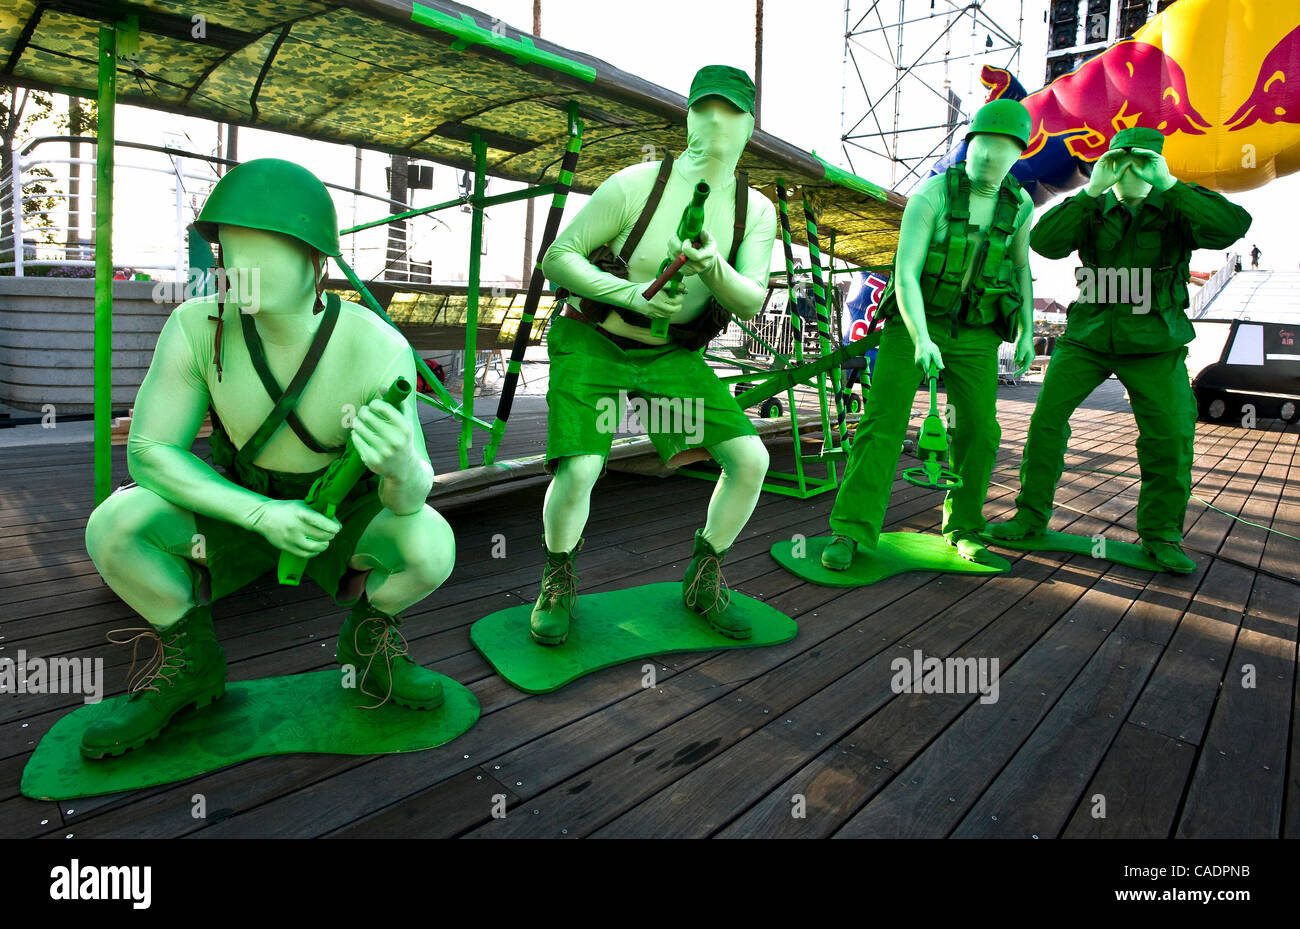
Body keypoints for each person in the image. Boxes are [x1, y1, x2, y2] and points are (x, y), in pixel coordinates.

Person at [81, 159, 456, 759]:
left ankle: (370, 641)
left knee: (430, 545)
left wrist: (402, 464)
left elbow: (409, 498)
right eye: (230, 250)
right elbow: (150, 454)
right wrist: (260, 515)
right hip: (236, 510)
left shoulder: (375, 345)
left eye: (264, 249)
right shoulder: (196, 326)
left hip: (334, 520)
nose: (240, 269)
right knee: (116, 526)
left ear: (315, 259)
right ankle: (189, 664)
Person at [531, 65, 777, 644]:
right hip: (593, 340)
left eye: (733, 112)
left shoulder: (755, 210)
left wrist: (714, 266)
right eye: (706, 109)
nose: (718, 121)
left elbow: (751, 301)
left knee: (750, 460)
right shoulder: (635, 183)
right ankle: (558, 576)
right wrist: (630, 294)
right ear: (687, 116)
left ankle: (704, 574)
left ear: (750, 127)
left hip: (670, 356)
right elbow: (560, 256)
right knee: (582, 465)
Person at [988, 128, 1252, 573]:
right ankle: (1030, 517)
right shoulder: (1093, 206)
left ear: (1160, 164)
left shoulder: (1178, 206)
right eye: (1120, 159)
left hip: (1155, 344)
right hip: (1087, 338)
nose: (1129, 168)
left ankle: (1162, 534)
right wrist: (1091, 190)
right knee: (1047, 422)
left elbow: (1233, 226)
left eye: (1142, 160)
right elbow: (1044, 242)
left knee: (1171, 435)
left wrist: (1169, 184)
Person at [820, 99, 1037, 571]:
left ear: (1019, 154)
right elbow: (906, 275)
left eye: (1005, 149)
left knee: (979, 430)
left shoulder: (1020, 205)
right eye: (984, 146)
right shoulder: (932, 195)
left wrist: (1026, 330)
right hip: (913, 324)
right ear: (969, 145)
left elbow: (1021, 266)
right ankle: (851, 530)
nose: (991, 158)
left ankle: (965, 527)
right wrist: (921, 338)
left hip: (977, 334)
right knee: (883, 424)